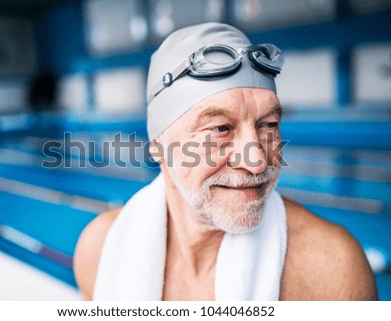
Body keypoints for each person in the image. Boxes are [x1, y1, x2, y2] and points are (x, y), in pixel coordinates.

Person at [73, 23, 377, 301]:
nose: (257, 162)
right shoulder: (100, 249)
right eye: (221, 128)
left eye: (268, 125)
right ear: (158, 146)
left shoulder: (331, 267)